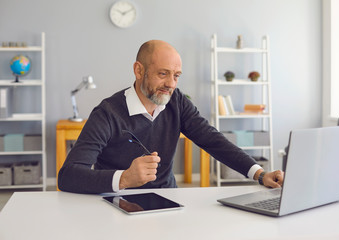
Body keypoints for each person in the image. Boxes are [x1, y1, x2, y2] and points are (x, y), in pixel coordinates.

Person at [58, 40, 283, 194]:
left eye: (176, 76)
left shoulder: (177, 102)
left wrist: (259, 174)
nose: (171, 84)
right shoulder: (107, 113)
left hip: (169, 200)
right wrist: (124, 178)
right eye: (163, 74)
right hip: (117, 201)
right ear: (138, 71)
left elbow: (212, 140)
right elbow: (68, 176)